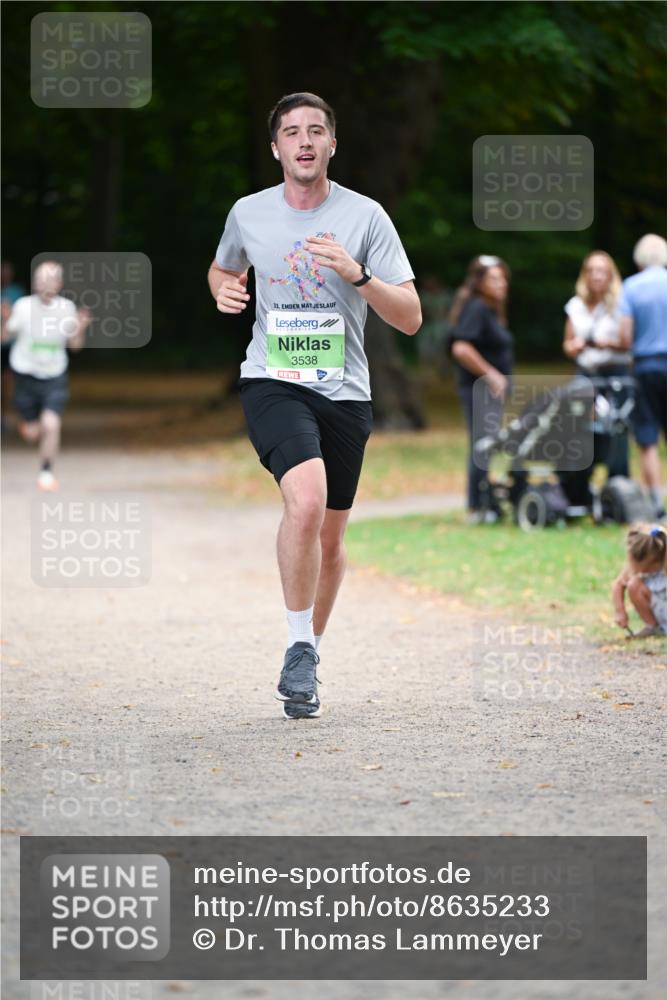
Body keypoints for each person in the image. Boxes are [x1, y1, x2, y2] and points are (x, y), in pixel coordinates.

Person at [207, 92, 421, 720]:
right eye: (292, 132)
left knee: (330, 537)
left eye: (316, 130)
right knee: (305, 499)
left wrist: (359, 275)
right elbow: (221, 269)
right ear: (275, 148)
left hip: (345, 391)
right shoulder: (248, 213)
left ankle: (308, 655)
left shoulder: (366, 216)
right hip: (272, 379)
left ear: (332, 143)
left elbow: (410, 317)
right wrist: (223, 291)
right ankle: (298, 645)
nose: (304, 140)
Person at [1, 260, 90, 491]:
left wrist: (80, 329)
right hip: (25, 374)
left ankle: (46, 473)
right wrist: (4, 320)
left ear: (59, 283)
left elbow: (75, 347)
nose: (43, 284)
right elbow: (4, 337)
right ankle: (29, 426)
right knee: (33, 434)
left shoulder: (67, 309)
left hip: (54, 375)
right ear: (34, 282)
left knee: (51, 424)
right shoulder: (23, 306)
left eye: (49, 279)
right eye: (39, 279)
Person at [561, 251, 633, 500]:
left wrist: (608, 344)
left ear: (611, 275)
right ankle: (578, 490)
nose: (596, 276)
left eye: (602, 270)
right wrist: (575, 346)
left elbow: (628, 343)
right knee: (580, 429)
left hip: (615, 374)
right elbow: (567, 344)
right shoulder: (576, 305)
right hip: (586, 375)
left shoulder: (621, 304)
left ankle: (618, 490)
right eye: (591, 270)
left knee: (617, 430)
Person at [448, 255, 513, 523]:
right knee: (482, 446)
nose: (501, 284)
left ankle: (487, 504)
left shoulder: (490, 309)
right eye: (494, 279)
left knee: (486, 445)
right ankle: (477, 508)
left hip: (489, 393)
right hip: (480, 390)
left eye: (503, 278)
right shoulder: (476, 308)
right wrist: (492, 375)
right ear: (480, 283)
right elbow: (461, 348)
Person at [619, 233, 667, 518]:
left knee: (647, 437)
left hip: (646, 366)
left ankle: (657, 504)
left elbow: (625, 335)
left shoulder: (631, 287)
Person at [612, 523, 667, 639]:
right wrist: (620, 612)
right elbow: (619, 585)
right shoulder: (635, 564)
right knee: (633, 584)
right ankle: (653, 627)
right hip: (659, 607)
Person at [1, 260, 25, 428]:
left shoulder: (17, 292)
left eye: (7, 271)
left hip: (11, 346)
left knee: (7, 382)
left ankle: (5, 414)